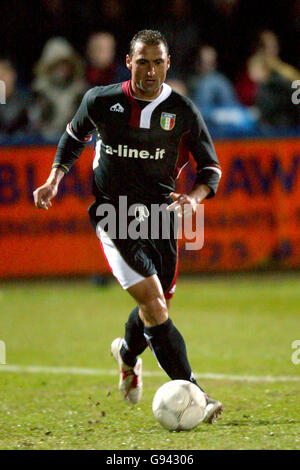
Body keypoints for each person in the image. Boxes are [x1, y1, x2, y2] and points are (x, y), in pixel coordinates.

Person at [33, 30, 223, 423]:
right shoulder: (101, 100)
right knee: (154, 304)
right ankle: (197, 396)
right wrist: (54, 179)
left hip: (160, 219)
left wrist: (193, 198)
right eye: (142, 61)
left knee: (156, 307)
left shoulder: (183, 112)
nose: (150, 70)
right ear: (128, 61)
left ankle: (127, 352)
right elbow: (73, 138)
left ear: (168, 64)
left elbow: (211, 170)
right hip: (112, 215)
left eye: (157, 62)